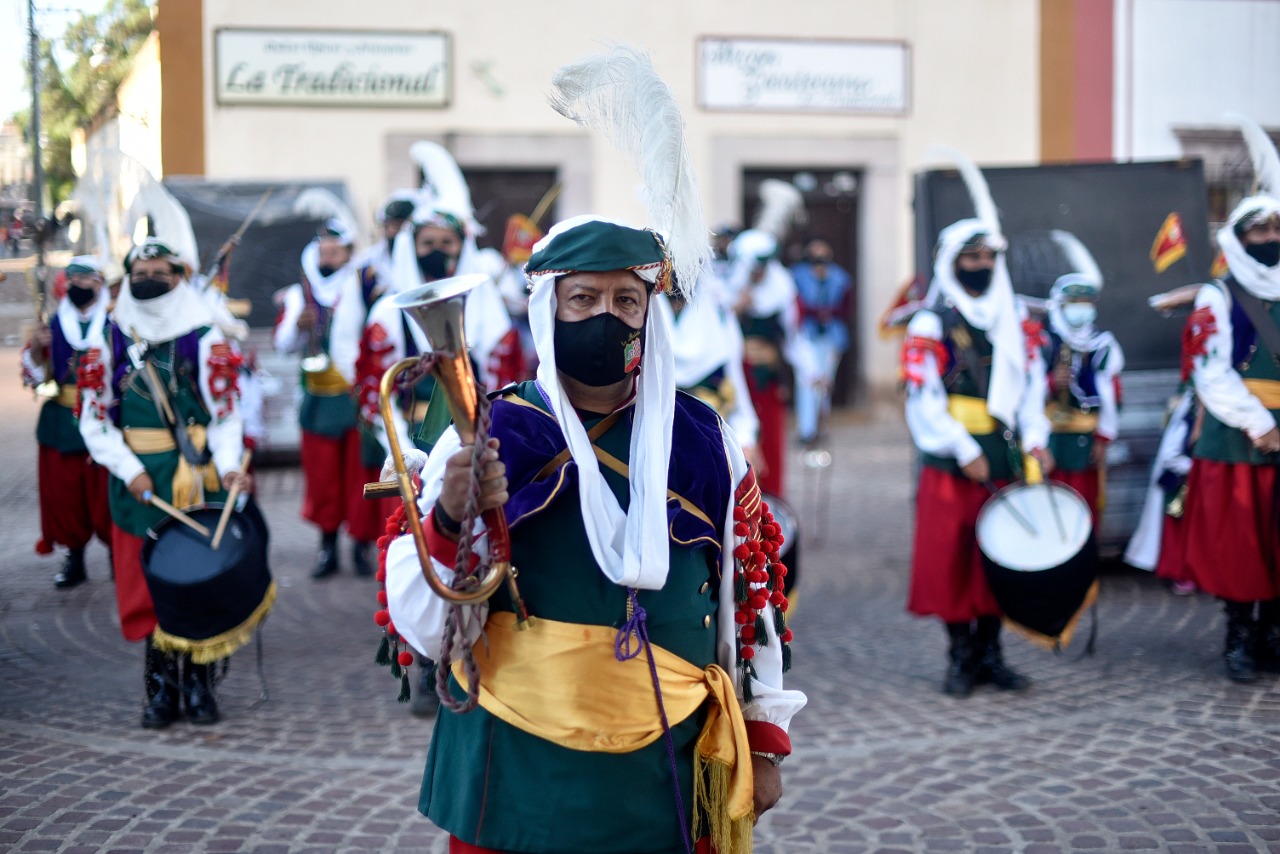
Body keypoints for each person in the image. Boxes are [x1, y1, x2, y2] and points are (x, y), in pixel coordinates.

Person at [383, 214, 805, 853]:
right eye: (583, 297)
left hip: (672, 757)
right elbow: (422, 623)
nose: (605, 315)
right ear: (549, 307)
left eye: (625, 300)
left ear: (648, 315)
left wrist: (763, 732)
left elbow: (752, 597)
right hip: (517, 759)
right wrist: (446, 518)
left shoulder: (706, 439)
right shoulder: (486, 433)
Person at [77, 238, 252, 728]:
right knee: (148, 585)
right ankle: (160, 687)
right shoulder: (107, 334)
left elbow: (224, 415)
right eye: (140, 271)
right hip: (139, 482)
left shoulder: (204, 334)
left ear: (178, 277)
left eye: (160, 271)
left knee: (199, 579)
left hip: (198, 477)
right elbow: (94, 419)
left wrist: (231, 462)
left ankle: (200, 683)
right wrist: (127, 469)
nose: (149, 279)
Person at [902, 218, 1053, 698]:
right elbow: (922, 397)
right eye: (972, 258)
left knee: (999, 553)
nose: (982, 266)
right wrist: (962, 448)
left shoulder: (1016, 318)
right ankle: (960, 657)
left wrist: (1035, 437)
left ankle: (992, 654)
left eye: (989, 258)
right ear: (951, 262)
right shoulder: (931, 322)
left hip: (1003, 451)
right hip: (955, 455)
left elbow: (1032, 388)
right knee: (954, 556)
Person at [1180, 163, 1280, 682]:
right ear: (1239, 238)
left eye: (1276, 229)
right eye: (1259, 230)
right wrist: (1259, 422)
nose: (1270, 238)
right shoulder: (1216, 296)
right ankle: (1240, 637)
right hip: (1240, 433)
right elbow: (1209, 371)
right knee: (1243, 542)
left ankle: (1274, 634)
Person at [273, 219, 384, 579]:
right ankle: (327, 548)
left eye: (335, 252)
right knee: (323, 481)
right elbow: (282, 344)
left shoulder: (363, 289)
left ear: (348, 254)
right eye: (323, 252)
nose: (328, 258)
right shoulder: (298, 293)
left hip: (354, 399)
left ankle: (361, 548)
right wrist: (297, 326)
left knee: (360, 478)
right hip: (318, 400)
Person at [21, 256, 114, 588]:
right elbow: (33, 377)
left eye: (85, 280)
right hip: (62, 420)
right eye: (72, 281)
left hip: (106, 416)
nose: (78, 286)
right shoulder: (54, 323)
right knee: (67, 495)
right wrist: (36, 348)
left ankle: (118, 556)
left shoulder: (116, 321)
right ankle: (74, 558)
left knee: (107, 492)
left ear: (99, 283)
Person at [1042, 268, 1124, 523]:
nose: (1081, 308)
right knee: (1050, 505)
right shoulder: (1043, 340)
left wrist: (1102, 437)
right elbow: (1024, 391)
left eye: (1086, 303)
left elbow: (1112, 395)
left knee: (1084, 505)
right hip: (1049, 440)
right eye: (1074, 303)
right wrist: (1051, 382)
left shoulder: (1103, 344)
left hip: (1086, 439)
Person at [725, 228, 800, 499]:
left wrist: (803, 371)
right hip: (735, 380)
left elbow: (793, 338)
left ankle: (771, 503)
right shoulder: (727, 291)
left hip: (766, 380)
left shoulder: (782, 288)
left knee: (770, 441)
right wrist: (738, 307)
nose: (758, 275)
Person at [790, 239, 853, 446]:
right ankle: (806, 429)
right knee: (808, 381)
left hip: (831, 336)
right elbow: (796, 305)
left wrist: (827, 312)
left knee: (825, 383)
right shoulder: (797, 275)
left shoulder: (840, 278)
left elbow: (846, 309)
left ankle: (820, 427)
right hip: (806, 336)